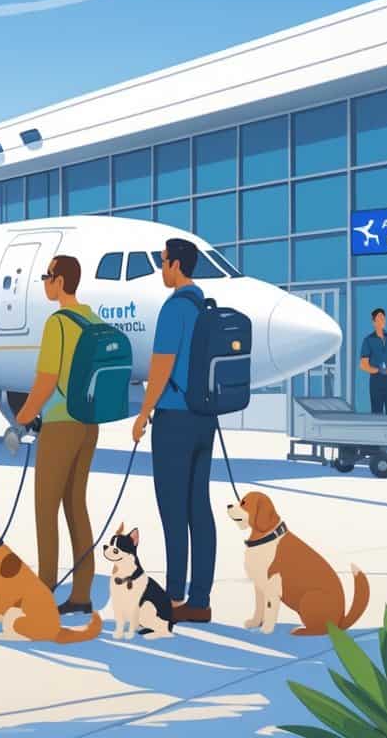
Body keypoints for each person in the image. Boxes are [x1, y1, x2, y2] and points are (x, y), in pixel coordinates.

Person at [131, 238, 215, 624]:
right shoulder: (205, 307)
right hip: (204, 418)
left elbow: (161, 366)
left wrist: (143, 413)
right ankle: (200, 600)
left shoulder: (175, 308)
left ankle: (175, 597)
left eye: (163, 261)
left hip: (174, 420)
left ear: (176, 265)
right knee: (200, 508)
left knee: (173, 511)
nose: (162, 268)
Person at [13, 255, 98, 616]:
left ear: (60, 281)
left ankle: (43, 587)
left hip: (61, 424)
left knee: (45, 507)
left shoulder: (59, 323)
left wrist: (22, 417)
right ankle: (81, 594)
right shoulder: (92, 319)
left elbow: (47, 379)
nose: (45, 283)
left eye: (47, 276)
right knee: (76, 506)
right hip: (89, 424)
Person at [360, 308, 387, 414]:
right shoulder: (368, 340)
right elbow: (363, 365)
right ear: (373, 322)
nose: (382, 321)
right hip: (376, 381)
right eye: (379, 319)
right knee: (376, 412)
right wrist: (378, 370)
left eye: (383, 319)